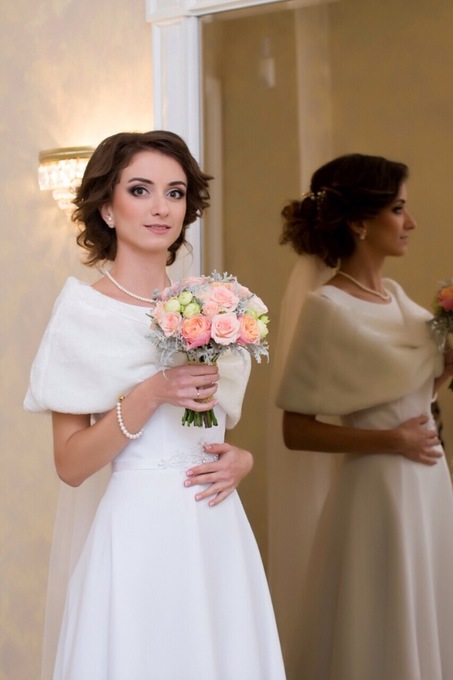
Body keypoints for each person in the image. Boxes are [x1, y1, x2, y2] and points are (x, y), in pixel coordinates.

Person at [25, 130, 286, 680]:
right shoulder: (82, 314)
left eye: (175, 192)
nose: (161, 207)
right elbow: (70, 465)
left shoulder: (217, 307)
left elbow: (208, 432)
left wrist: (241, 461)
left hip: (215, 527)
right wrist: (150, 393)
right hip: (137, 529)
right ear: (107, 208)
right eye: (140, 190)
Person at [276, 153, 453, 680]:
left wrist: (441, 374)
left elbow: (401, 394)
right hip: (377, 492)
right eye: (398, 209)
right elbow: (295, 430)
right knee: (380, 629)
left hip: (428, 485)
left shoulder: (397, 299)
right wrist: (391, 441)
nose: (410, 223)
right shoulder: (328, 308)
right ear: (359, 222)